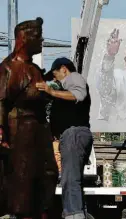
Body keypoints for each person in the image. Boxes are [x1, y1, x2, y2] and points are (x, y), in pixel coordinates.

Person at [0, 17, 58, 219]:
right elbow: (1, 101)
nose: (42, 40)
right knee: (24, 181)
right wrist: (1, 131)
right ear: (23, 38)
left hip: (40, 130)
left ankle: (43, 211)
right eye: (38, 36)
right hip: (20, 129)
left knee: (49, 174)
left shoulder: (34, 69)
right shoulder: (8, 68)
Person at [36, 57, 93, 219]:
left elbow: (79, 95)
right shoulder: (63, 89)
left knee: (70, 180)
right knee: (72, 180)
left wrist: (51, 91)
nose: (54, 80)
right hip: (71, 135)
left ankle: (74, 215)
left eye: (55, 75)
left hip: (74, 133)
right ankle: (76, 213)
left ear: (63, 69)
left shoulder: (73, 77)